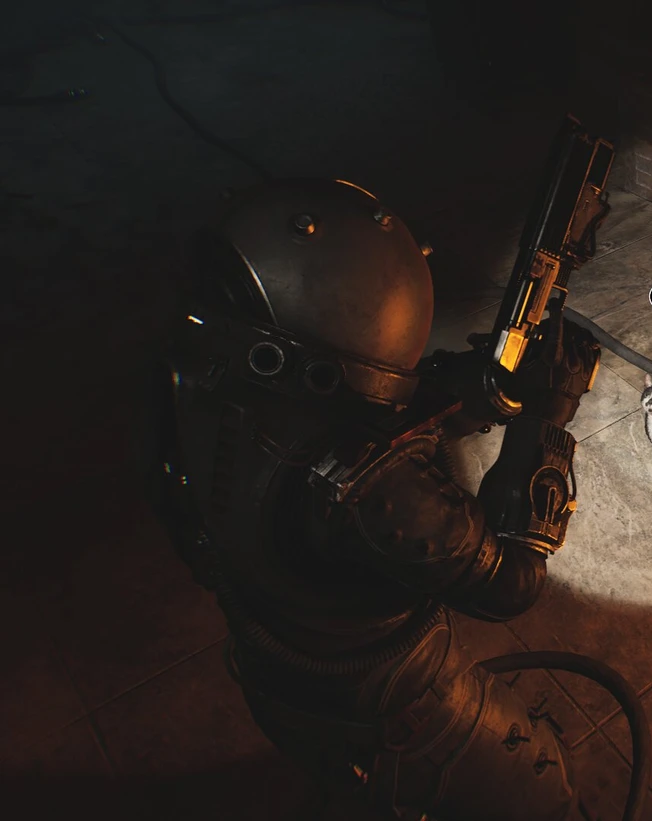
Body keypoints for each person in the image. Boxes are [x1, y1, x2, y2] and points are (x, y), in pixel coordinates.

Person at [144, 177, 601, 821]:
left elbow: (348, 411)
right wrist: (546, 422)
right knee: (546, 792)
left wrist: (483, 389)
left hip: (274, 673)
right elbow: (512, 586)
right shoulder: (373, 487)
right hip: (398, 716)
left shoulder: (196, 379)